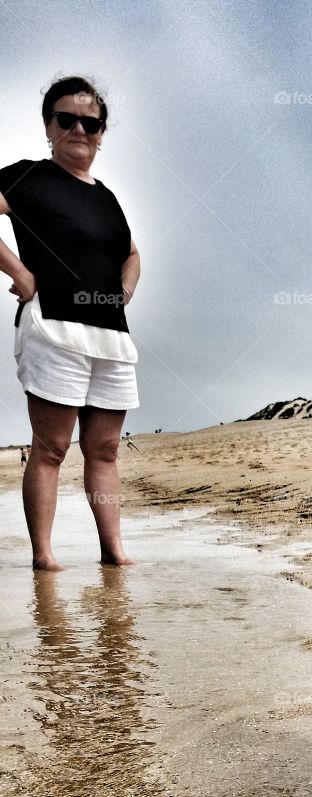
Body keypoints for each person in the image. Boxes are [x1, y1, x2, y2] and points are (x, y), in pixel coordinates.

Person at [0, 76, 141, 571]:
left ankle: (114, 552)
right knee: (52, 448)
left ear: (101, 132)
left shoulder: (106, 198)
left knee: (104, 450)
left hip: (111, 335)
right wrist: (19, 272)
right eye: (67, 119)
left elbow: (132, 253)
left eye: (91, 122)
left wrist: (121, 294)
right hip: (54, 327)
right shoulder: (29, 176)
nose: (79, 128)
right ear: (49, 126)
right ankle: (44, 556)